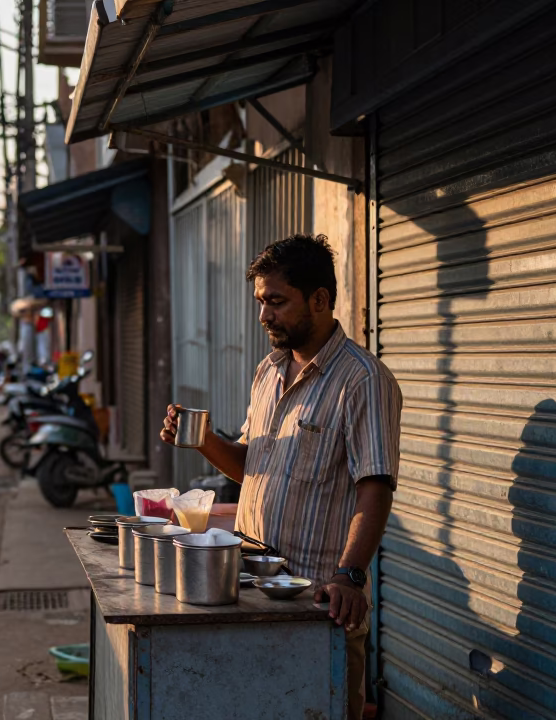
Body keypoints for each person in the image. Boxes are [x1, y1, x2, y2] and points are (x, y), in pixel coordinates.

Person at [160, 234, 402, 720]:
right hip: (254, 593)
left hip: (319, 606)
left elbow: (374, 485)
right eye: (260, 302)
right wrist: (203, 438)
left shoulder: (363, 380)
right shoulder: (268, 371)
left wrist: (349, 576)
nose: (264, 316)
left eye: (276, 301)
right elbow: (252, 466)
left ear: (320, 299)